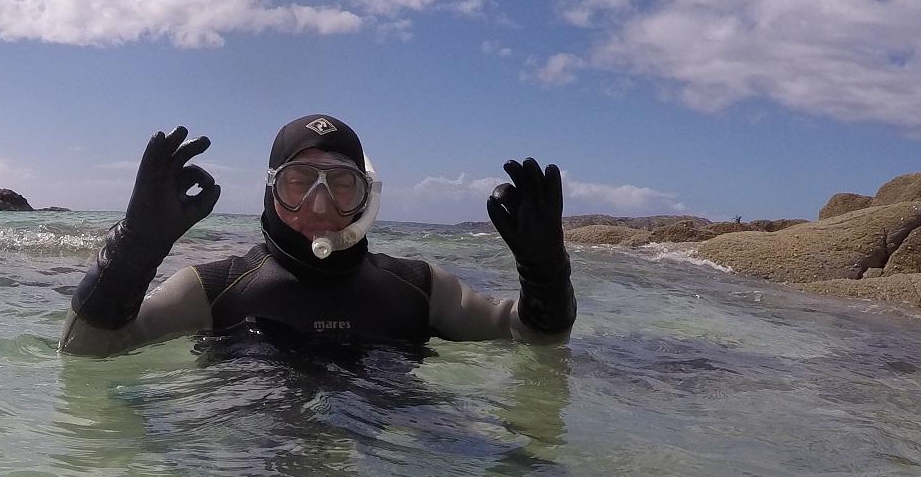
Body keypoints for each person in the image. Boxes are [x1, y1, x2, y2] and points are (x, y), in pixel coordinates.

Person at [59, 114, 576, 356]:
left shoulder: (421, 288)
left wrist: (545, 270)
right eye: (299, 183)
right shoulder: (214, 289)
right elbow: (88, 348)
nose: (321, 206)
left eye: (342, 185)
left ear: (368, 196)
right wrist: (135, 248)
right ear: (270, 192)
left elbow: (532, 335)